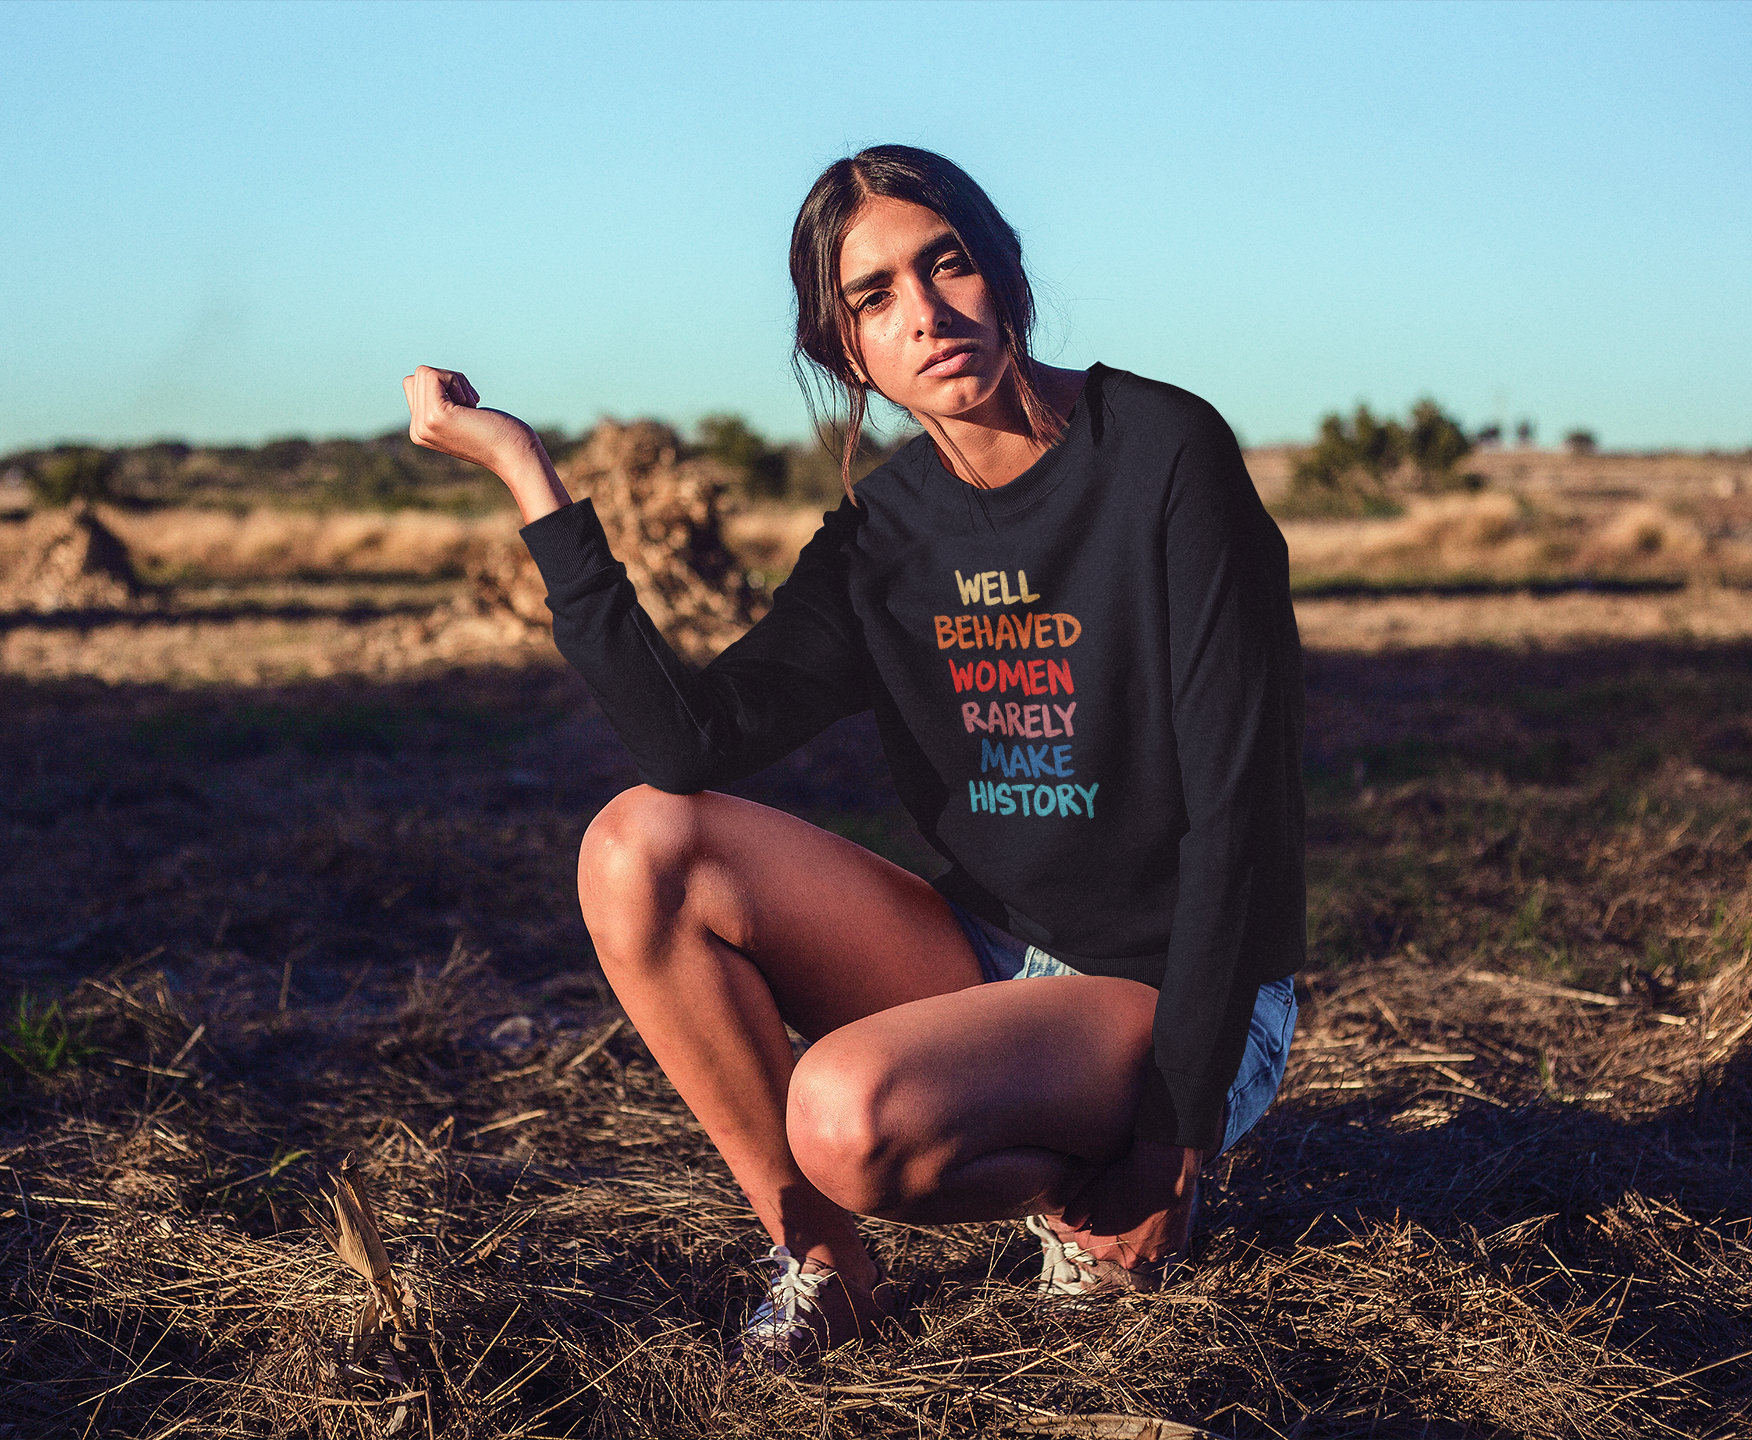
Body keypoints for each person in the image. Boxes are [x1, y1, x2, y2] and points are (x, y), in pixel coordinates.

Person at [402, 144, 1304, 1370]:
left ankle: (1093, 1198)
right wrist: (529, 479)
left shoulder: (1161, 455)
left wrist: (1164, 1142)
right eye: (873, 297)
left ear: (1005, 273)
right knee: (636, 847)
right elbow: (690, 742)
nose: (925, 314)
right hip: (991, 960)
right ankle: (825, 1265)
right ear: (847, 353)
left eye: (947, 265)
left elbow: (1239, 811)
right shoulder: (884, 535)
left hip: (1186, 990)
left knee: (842, 1112)